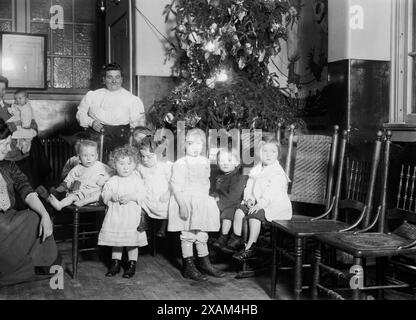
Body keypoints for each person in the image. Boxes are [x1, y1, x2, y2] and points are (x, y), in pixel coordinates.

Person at [0, 119, 58, 286]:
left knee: (35, 217)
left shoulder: (9, 165)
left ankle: (39, 266)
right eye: (4, 144)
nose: (9, 148)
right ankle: (15, 269)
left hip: (8, 218)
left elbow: (27, 191)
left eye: (9, 144)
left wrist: (45, 214)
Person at [168, 128, 225, 281]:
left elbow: (205, 183)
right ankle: (188, 266)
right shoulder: (180, 163)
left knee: (202, 233)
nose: (195, 147)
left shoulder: (205, 161)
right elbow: (176, 187)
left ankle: (204, 263)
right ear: (184, 145)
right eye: (190, 143)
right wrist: (182, 205)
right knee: (188, 234)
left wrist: (209, 197)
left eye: (199, 143)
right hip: (185, 200)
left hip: (201, 201)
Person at [231, 136, 292, 260]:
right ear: (260, 153)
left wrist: (260, 204)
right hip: (258, 202)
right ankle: (237, 239)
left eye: (273, 152)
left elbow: (271, 193)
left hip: (275, 205)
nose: (268, 155)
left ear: (278, 155)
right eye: (265, 151)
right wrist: (249, 199)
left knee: (255, 214)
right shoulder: (257, 169)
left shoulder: (278, 173)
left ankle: (251, 246)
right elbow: (250, 186)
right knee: (240, 210)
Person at [98, 145, 148, 279]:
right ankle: (115, 264)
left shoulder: (136, 180)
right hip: (116, 216)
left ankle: (131, 265)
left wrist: (131, 197)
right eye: (121, 163)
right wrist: (111, 195)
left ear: (135, 165)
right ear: (114, 165)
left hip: (131, 217)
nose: (125, 167)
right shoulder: (113, 180)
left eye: (129, 163)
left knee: (132, 242)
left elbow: (142, 194)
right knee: (117, 241)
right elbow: (105, 194)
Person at [76, 63, 146, 153]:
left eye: (117, 77)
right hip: (95, 139)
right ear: (104, 79)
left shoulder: (132, 99)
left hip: (121, 140)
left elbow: (138, 127)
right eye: (110, 77)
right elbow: (80, 114)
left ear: (121, 79)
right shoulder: (92, 95)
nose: (114, 81)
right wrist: (91, 122)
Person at [0, 76, 50, 189]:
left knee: (28, 187)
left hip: (22, 155)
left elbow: (32, 124)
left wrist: (31, 128)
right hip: (6, 156)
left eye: (3, 89)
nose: (1, 93)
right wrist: (15, 126)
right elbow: (5, 130)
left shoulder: (13, 106)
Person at [47, 140, 112, 210]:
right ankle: (60, 205)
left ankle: (84, 201)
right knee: (71, 197)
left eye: (92, 155)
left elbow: (113, 172)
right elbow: (67, 180)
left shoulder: (101, 166)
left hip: (95, 193)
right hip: (80, 193)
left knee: (101, 193)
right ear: (79, 157)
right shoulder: (77, 169)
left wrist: (105, 177)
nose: (88, 158)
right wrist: (59, 190)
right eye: (85, 155)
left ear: (96, 156)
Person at [211, 149, 248, 251]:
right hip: (223, 201)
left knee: (228, 213)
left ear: (236, 162)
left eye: (229, 160)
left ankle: (224, 236)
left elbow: (234, 197)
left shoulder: (239, 178)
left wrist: (218, 202)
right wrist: (214, 196)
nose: (225, 163)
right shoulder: (219, 176)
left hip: (234, 203)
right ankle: (212, 237)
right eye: (221, 161)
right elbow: (216, 191)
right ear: (217, 163)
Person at [136, 135, 172, 237]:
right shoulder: (141, 166)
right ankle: (143, 220)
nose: (145, 160)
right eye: (142, 156)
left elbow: (173, 181)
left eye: (149, 157)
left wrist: (168, 193)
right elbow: (137, 178)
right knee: (140, 203)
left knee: (168, 208)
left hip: (162, 196)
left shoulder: (166, 166)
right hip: (148, 195)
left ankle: (163, 227)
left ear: (160, 154)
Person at [6, 90, 37, 154]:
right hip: (19, 126)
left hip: (25, 126)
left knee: (25, 135)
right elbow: (15, 114)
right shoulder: (17, 106)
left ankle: (26, 144)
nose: (17, 100)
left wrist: (25, 125)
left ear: (26, 99)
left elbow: (27, 118)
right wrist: (11, 111)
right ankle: (21, 144)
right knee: (16, 136)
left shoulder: (27, 108)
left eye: (20, 98)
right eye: (16, 99)